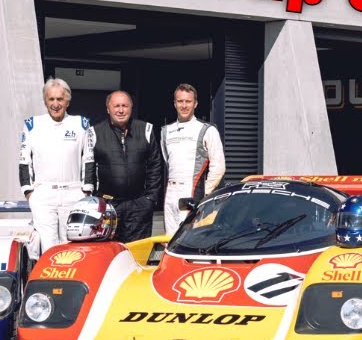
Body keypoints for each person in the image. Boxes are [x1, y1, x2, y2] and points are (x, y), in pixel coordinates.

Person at [19, 78, 96, 253]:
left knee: (73, 245)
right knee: (48, 246)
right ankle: (50, 280)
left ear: (67, 101)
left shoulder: (82, 124)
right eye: (51, 99)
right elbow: (24, 160)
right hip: (43, 194)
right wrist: (29, 192)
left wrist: (86, 191)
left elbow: (89, 159)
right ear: (45, 101)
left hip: (74, 192)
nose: (55, 104)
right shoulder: (31, 125)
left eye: (60, 99)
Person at [90, 91, 164, 242]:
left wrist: (150, 199)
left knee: (137, 254)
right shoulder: (95, 132)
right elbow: (89, 168)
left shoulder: (146, 129)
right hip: (109, 206)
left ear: (131, 107)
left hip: (139, 206)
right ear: (108, 108)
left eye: (125, 106)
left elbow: (155, 165)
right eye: (116, 106)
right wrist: (95, 200)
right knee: (109, 254)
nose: (121, 110)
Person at [160, 84, 226, 235]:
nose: (184, 106)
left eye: (188, 102)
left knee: (189, 237)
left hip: (192, 190)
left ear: (195, 104)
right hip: (170, 192)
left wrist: (204, 193)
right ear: (174, 103)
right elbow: (167, 161)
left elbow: (219, 166)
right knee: (169, 240)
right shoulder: (165, 131)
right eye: (180, 101)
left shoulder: (208, 129)